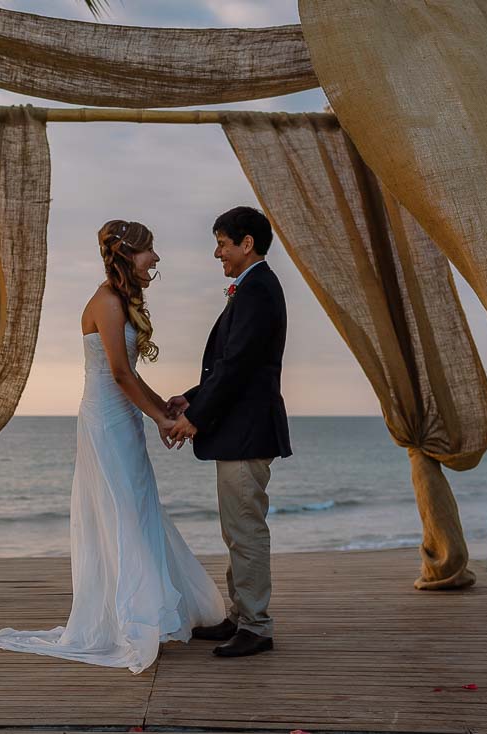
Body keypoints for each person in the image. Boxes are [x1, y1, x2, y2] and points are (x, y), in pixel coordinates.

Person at [0, 220, 225, 673]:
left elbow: (131, 377)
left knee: (137, 507)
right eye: (149, 250)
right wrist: (163, 419)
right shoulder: (106, 303)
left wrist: (164, 413)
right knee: (120, 512)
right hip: (105, 421)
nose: (155, 259)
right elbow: (119, 374)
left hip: (123, 418)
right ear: (127, 254)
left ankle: (148, 614)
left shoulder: (118, 300)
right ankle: (128, 622)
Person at [167, 206, 291, 658]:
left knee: (246, 531)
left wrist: (196, 418)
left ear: (247, 244)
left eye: (222, 242)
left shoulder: (258, 289)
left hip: (246, 431)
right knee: (237, 530)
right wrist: (192, 397)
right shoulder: (253, 287)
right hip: (241, 429)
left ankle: (256, 626)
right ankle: (241, 617)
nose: (217, 251)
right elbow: (231, 365)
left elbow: (237, 367)